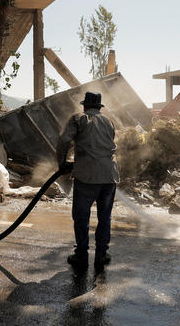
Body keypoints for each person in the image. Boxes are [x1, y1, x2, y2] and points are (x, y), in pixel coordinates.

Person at [56, 92, 119, 271]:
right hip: (109, 177)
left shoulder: (78, 119)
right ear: (99, 107)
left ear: (84, 106)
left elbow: (64, 141)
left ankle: (82, 255)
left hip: (87, 177)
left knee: (82, 217)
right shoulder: (109, 121)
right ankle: (101, 255)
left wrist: (61, 164)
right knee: (104, 217)